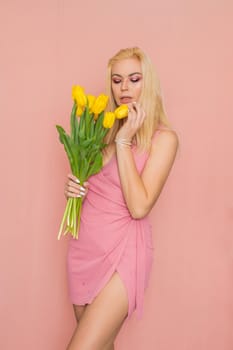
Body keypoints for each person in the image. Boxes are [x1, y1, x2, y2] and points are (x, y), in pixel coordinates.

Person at [64, 47, 179, 350]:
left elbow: (139, 206)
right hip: (84, 250)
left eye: (134, 78)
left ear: (148, 83)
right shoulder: (101, 132)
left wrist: (124, 140)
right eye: (117, 81)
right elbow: (94, 188)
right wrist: (75, 188)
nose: (124, 88)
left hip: (123, 253)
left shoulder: (163, 139)